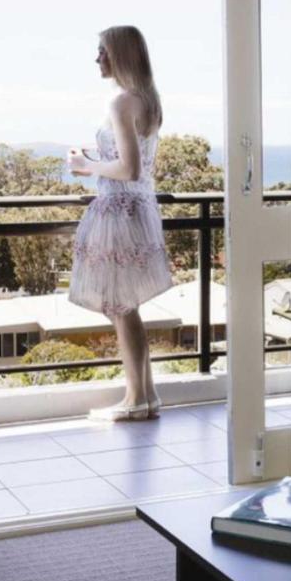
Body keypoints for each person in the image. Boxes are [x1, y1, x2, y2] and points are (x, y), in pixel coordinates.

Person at [67, 25, 173, 421]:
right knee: (126, 307)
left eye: (102, 51)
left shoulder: (121, 102)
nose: (97, 58)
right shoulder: (149, 101)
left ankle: (134, 400)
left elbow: (128, 169)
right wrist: (97, 161)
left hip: (120, 210)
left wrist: (85, 165)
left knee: (120, 306)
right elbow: (135, 165)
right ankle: (147, 397)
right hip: (138, 209)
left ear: (120, 55)